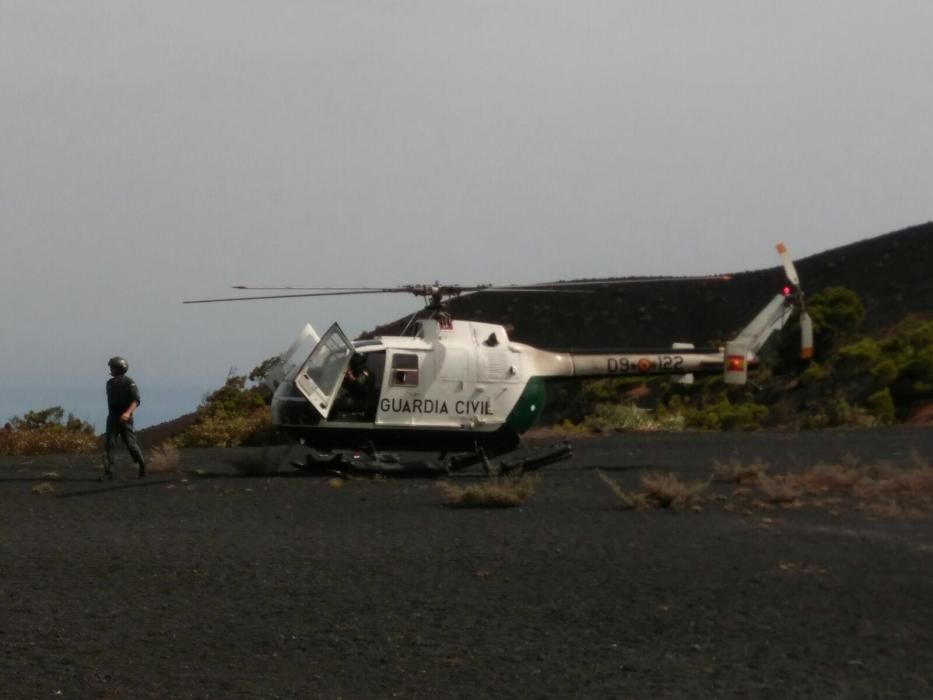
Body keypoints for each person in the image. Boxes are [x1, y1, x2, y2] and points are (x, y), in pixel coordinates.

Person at [102, 356, 147, 480]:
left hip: (125, 418)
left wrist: (127, 413)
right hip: (112, 417)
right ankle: (108, 472)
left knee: (131, 444)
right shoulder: (109, 383)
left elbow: (136, 400)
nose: (110, 369)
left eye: (112, 367)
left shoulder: (129, 382)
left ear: (119, 368)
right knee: (109, 445)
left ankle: (142, 465)